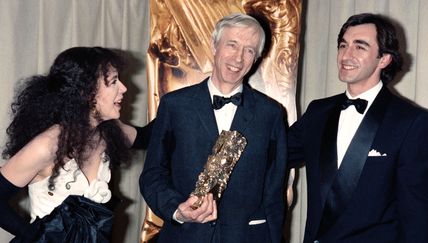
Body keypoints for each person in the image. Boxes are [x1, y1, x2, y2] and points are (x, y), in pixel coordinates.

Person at [140, 13, 288, 243]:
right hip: (183, 237)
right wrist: (177, 210)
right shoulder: (175, 105)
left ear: (256, 58)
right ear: (214, 45)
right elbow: (152, 175)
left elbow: (274, 191)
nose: (238, 58)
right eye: (232, 45)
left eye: (249, 50)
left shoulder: (271, 114)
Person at [287, 13, 428, 242]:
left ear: (383, 59)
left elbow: (418, 219)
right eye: (343, 45)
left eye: (360, 47)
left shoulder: (412, 123)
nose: (346, 54)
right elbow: (272, 153)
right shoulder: (318, 112)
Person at [0, 46, 151, 242]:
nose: (124, 88)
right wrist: (36, 235)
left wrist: (178, 102)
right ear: (85, 92)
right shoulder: (47, 145)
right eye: (114, 82)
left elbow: (147, 136)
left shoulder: (108, 130)